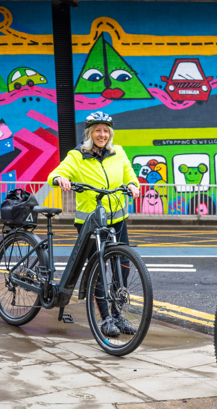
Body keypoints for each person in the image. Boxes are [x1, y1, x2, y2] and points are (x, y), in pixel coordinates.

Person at [47, 111, 140, 338]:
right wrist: (61, 179)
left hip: (117, 220)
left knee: (123, 266)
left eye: (106, 130)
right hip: (91, 223)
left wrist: (133, 185)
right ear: (90, 133)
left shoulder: (118, 152)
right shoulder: (77, 155)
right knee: (99, 268)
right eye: (98, 130)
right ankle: (106, 318)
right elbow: (55, 174)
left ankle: (118, 314)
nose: (102, 134)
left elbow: (130, 175)